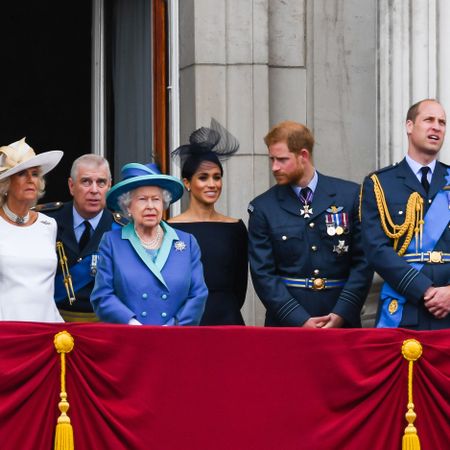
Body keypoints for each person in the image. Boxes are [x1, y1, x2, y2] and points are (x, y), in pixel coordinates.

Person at [248, 121, 373, 327]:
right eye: (272, 159)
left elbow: (364, 261)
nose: (274, 167)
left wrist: (342, 313)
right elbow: (263, 274)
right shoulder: (263, 207)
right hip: (287, 323)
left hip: (341, 317)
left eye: (281, 159)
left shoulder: (350, 196)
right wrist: (299, 320)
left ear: (303, 156)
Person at [361, 98, 450, 330]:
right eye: (429, 120)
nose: (437, 127)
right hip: (404, 306)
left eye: (442, 122)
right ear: (409, 126)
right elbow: (376, 248)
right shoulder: (380, 183)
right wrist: (423, 289)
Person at [90, 162, 208, 325]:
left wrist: (174, 325)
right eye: (142, 199)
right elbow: (102, 296)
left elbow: (198, 294)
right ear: (128, 206)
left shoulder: (187, 242)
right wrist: (132, 324)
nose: (150, 206)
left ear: (163, 204)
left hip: (176, 338)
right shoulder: (112, 242)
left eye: (156, 199)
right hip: (130, 339)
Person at [169, 119, 248, 325]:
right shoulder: (169, 228)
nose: (212, 184)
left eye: (217, 177)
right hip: (184, 322)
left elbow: (240, 287)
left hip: (227, 320)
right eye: (203, 177)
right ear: (187, 183)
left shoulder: (235, 227)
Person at [44, 154, 125, 322]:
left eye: (101, 182)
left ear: (109, 186)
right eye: (86, 182)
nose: (94, 190)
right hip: (52, 320)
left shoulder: (123, 230)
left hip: (104, 323)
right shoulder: (47, 221)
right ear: (71, 186)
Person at [0, 137, 64, 322]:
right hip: (7, 332)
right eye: (21, 174)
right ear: (6, 185)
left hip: (45, 330)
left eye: (35, 174)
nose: (30, 180)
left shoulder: (48, 225)